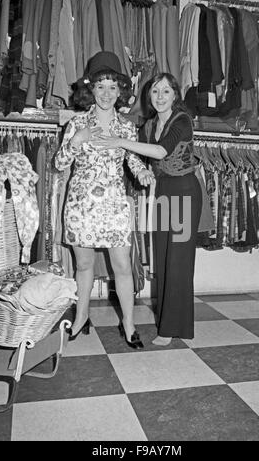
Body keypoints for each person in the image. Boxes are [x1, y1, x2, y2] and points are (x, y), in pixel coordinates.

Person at [92, 72, 202, 346]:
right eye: (155, 92)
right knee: (163, 259)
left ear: (175, 95)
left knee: (179, 261)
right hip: (164, 193)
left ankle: (173, 328)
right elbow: (138, 158)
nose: (160, 97)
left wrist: (119, 141)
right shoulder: (150, 124)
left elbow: (162, 152)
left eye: (166, 91)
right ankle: (166, 322)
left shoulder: (183, 121)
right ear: (148, 96)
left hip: (185, 193)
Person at [55, 51, 154, 349]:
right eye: (100, 86)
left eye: (112, 86)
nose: (107, 93)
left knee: (122, 266)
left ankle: (128, 322)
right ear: (91, 89)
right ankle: (82, 316)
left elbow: (132, 159)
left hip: (114, 202)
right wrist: (77, 139)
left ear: (120, 90)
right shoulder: (77, 122)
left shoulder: (126, 126)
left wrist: (142, 173)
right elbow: (59, 164)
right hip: (82, 203)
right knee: (83, 265)